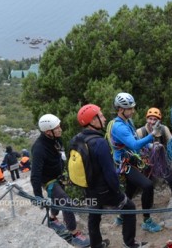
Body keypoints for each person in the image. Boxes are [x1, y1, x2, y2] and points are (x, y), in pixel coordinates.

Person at [77, 103, 146, 248]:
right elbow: (109, 172)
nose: (104, 118)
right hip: (104, 190)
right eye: (100, 116)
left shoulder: (77, 140)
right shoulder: (100, 142)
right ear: (93, 121)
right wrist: (117, 190)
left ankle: (96, 244)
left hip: (88, 188)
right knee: (129, 207)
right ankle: (130, 243)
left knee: (94, 216)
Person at [30, 114, 90, 248]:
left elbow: (59, 157)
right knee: (66, 202)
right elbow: (35, 174)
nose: (60, 129)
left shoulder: (56, 140)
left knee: (58, 199)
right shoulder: (39, 148)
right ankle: (75, 234)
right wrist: (38, 196)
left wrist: (64, 174)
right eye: (57, 128)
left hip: (58, 176)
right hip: (48, 181)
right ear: (47, 131)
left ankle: (52, 218)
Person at [109, 92, 162, 233]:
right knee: (148, 185)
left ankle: (121, 216)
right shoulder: (119, 127)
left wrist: (148, 146)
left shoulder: (127, 121)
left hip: (131, 159)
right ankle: (147, 221)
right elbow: (134, 145)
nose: (133, 111)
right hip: (125, 164)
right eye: (130, 109)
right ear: (121, 110)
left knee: (131, 188)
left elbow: (134, 139)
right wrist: (152, 136)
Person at [136, 107, 172, 201]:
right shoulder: (140, 132)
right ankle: (148, 205)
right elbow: (136, 147)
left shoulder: (163, 129)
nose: (152, 122)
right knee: (147, 184)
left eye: (155, 119)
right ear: (146, 119)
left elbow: (171, 146)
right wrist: (149, 146)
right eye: (150, 119)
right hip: (147, 161)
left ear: (159, 121)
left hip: (163, 159)